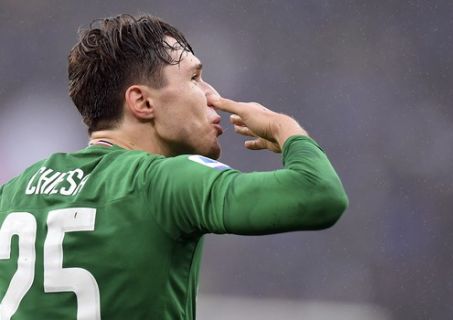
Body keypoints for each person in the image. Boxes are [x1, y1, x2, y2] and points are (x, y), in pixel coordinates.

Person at [0, 14, 348, 320]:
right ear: (142, 101)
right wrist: (284, 128)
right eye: (195, 78)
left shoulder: (14, 192)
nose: (212, 95)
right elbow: (319, 193)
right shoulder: (164, 181)